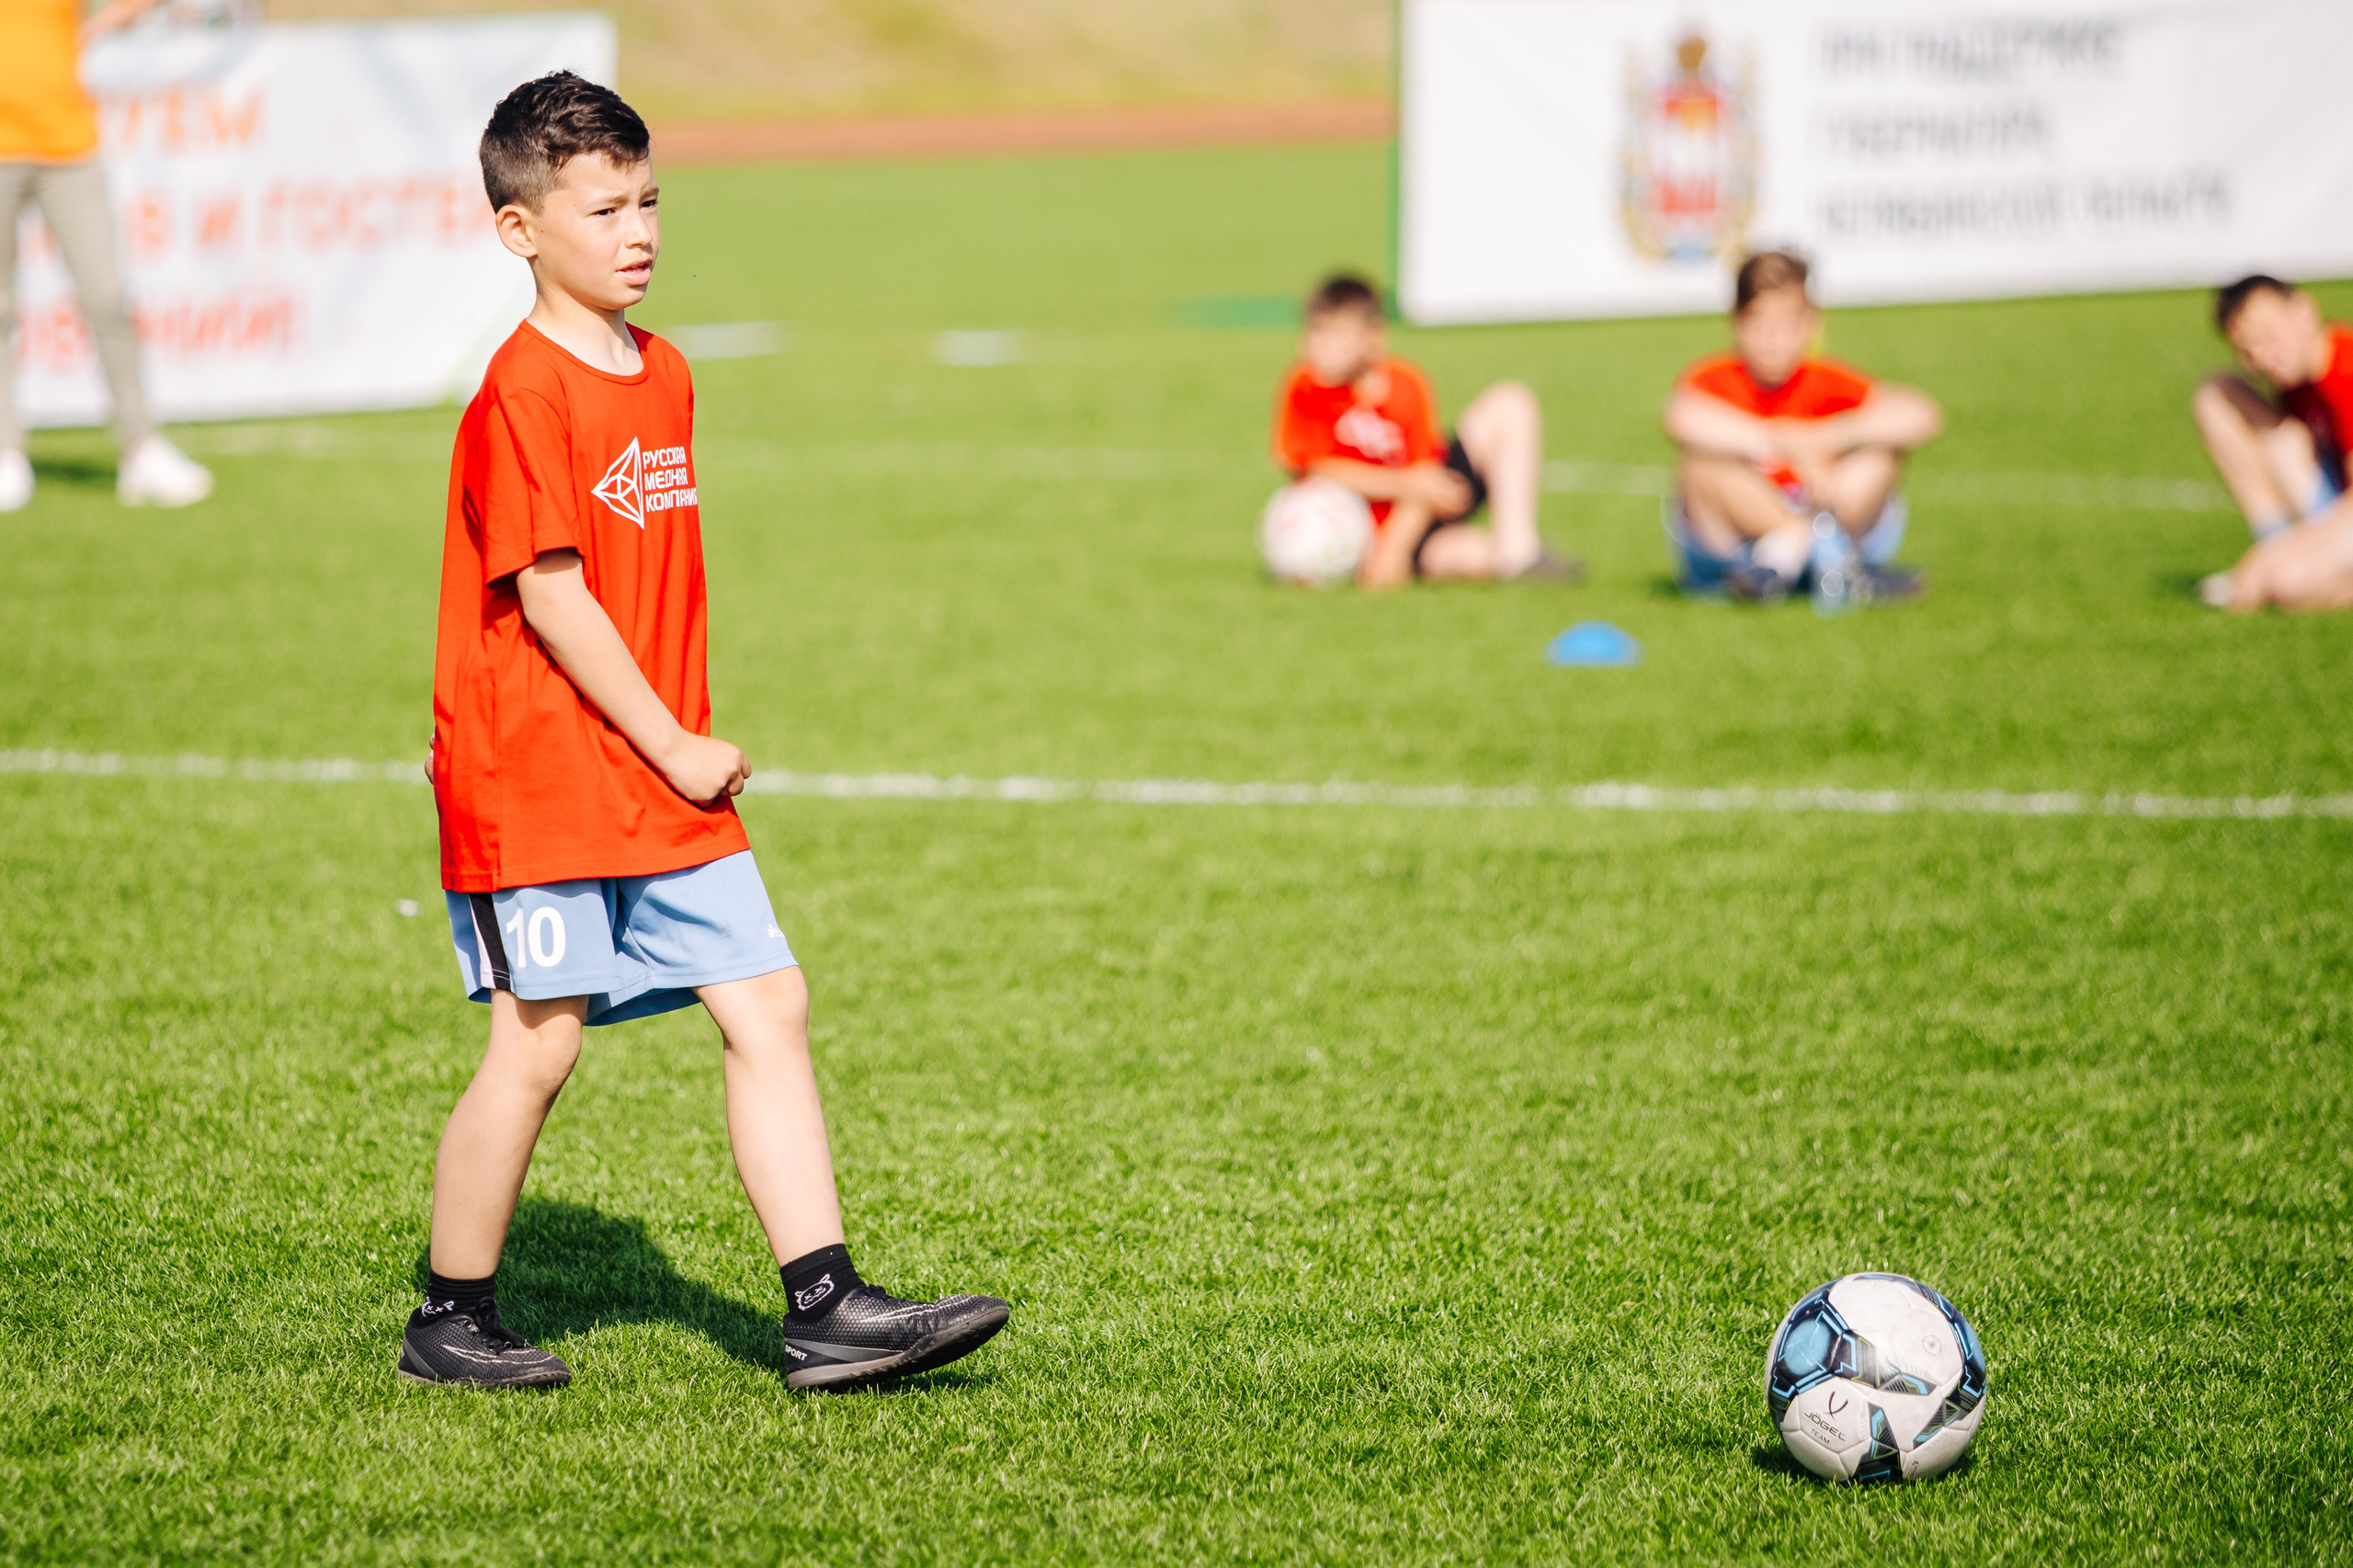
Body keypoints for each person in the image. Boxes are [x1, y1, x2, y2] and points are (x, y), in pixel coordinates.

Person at [406, 72, 1006, 1392]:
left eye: (651, 199)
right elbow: (552, 595)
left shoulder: (664, 370)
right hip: (543, 776)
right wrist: (676, 739)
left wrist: (673, 747)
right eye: (604, 207)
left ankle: (827, 1305)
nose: (641, 230)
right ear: (520, 232)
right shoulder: (520, 393)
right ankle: (449, 1316)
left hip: (657, 770)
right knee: (541, 1040)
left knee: (767, 1001)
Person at [0, 0, 215, 512]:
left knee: (108, 296)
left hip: (69, 144)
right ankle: (5, 452)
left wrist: (96, 26)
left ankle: (142, 447)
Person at [1662, 250, 1939, 604]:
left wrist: (1828, 437)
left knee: (1882, 453)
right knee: (1700, 461)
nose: (1772, 340)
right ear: (1736, 322)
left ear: (1810, 323)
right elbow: (1680, 416)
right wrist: (1787, 447)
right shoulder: (1715, 379)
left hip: (1825, 512)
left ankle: (1790, 557)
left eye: (1786, 324)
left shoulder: (1825, 380)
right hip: (1741, 534)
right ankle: (1801, 551)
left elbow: (1921, 415)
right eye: (1758, 323)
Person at [1271, 273, 1576, 590]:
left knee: (1511, 402)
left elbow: (1427, 474)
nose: (1322, 347)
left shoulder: (1406, 383)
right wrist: (1400, 503)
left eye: (1337, 334)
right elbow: (1316, 467)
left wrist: (1397, 545)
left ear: (1374, 337)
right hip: (1367, 531)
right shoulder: (1305, 386)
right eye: (1316, 332)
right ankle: (1495, 558)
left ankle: (1520, 553)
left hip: (1418, 514)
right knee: (1475, 558)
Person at [2190, 276, 2353, 612]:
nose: (2264, 356)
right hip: (2334, 509)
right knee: (2216, 394)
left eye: (2268, 334)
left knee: (2284, 582)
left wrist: (2278, 563)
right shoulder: (2299, 384)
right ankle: (2279, 552)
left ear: (2303, 311)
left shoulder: (2346, 367)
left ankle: (2284, 570)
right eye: (2247, 350)